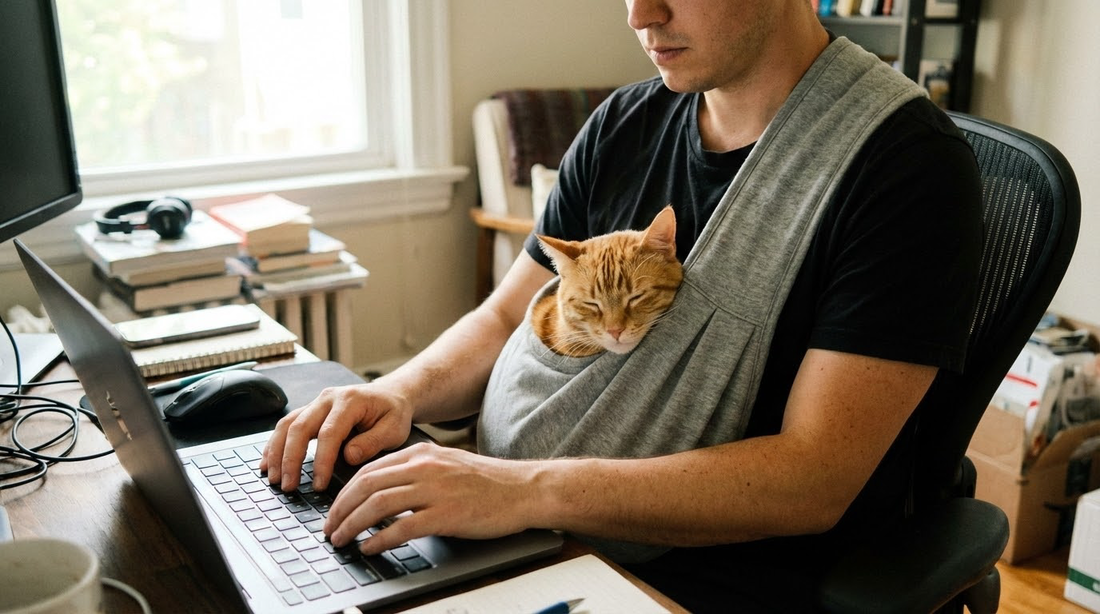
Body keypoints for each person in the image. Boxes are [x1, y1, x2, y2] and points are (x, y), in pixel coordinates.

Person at [260, 1, 983, 611]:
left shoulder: (906, 169)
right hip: (525, 528)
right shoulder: (623, 125)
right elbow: (507, 317)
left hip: (698, 581)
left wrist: (524, 490)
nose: (640, 16)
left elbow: (812, 478)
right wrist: (396, 393)